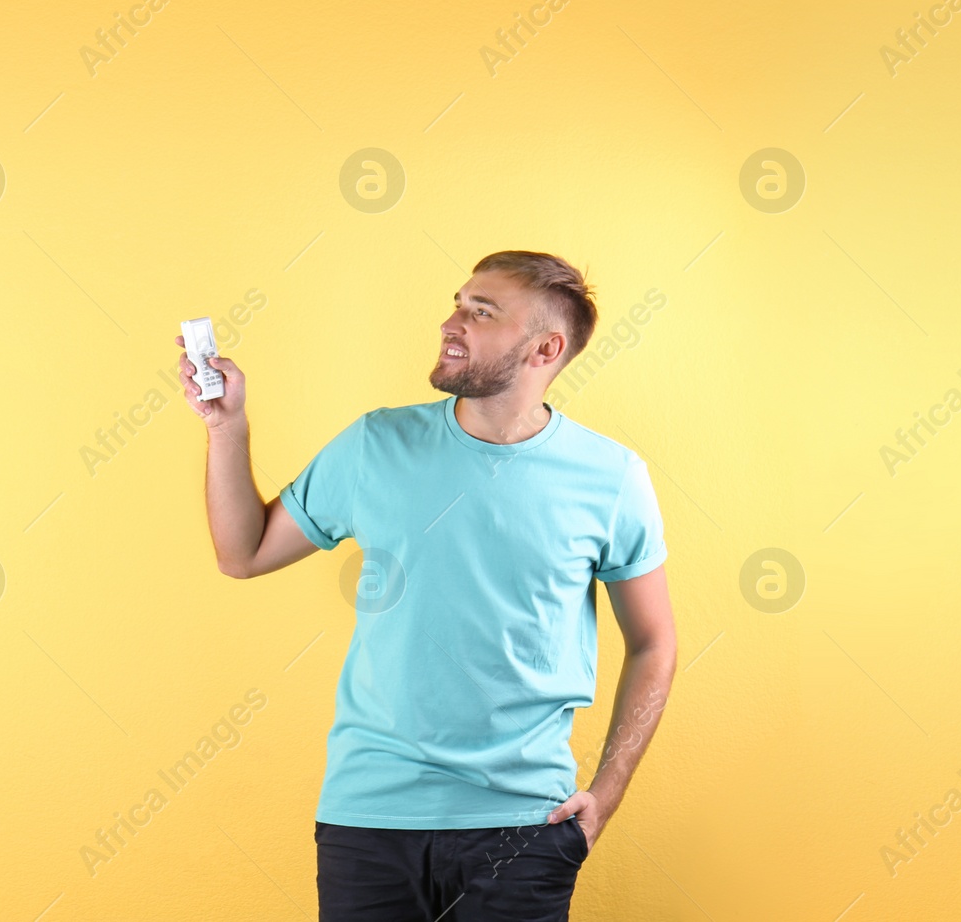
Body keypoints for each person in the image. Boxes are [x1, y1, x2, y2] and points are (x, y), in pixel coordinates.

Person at [176, 250, 676, 921]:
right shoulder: (374, 445)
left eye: (481, 312)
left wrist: (606, 795)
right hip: (369, 822)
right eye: (458, 303)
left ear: (545, 348)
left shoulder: (611, 478)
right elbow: (245, 553)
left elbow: (654, 643)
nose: (452, 321)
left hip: (526, 828)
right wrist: (225, 427)